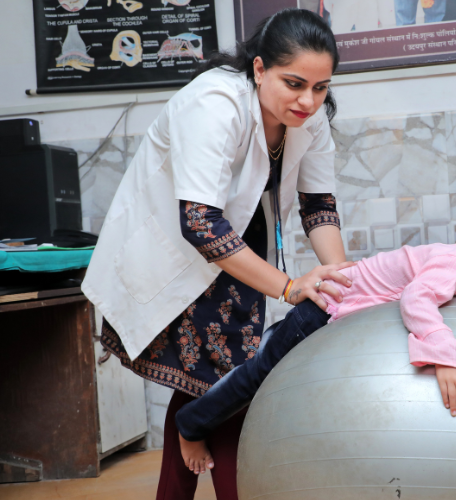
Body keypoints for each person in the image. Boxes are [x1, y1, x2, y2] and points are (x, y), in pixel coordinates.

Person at [82, 9, 352, 500]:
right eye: (294, 83)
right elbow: (201, 225)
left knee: (209, 390)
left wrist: (342, 279)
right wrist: (292, 287)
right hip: (183, 255)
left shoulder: (309, 117)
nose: (309, 100)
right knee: (227, 389)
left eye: (320, 87)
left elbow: (319, 203)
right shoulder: (214, 103)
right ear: (258, 68)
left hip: (241, 254)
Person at [175, 217, 456, 474]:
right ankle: (191, 423)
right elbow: (416, 299)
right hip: (325, 308)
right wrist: (447, 358)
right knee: (260, 374)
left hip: (353, 321)